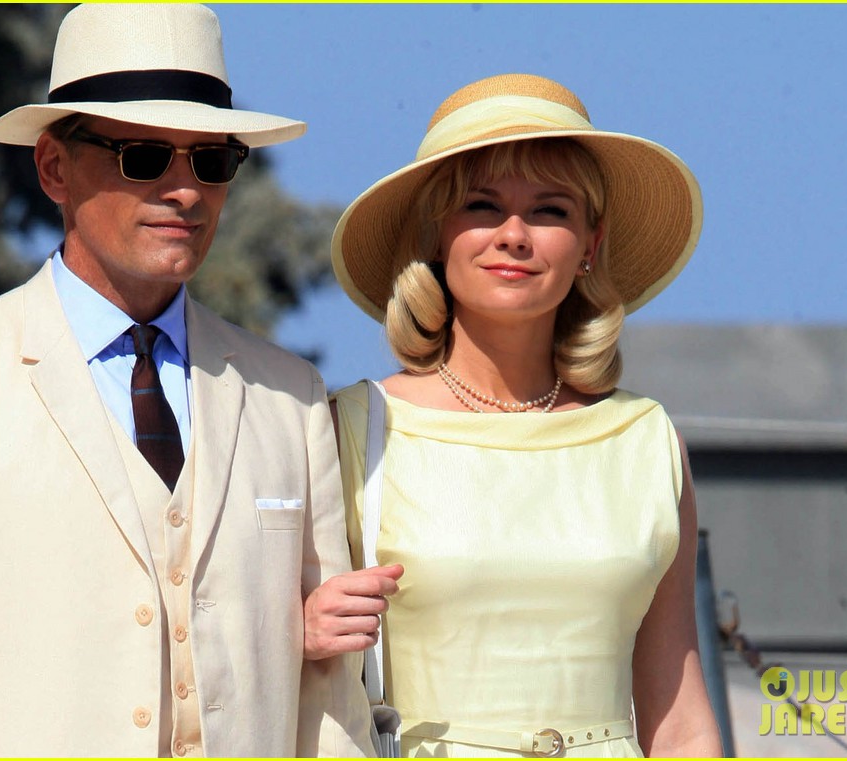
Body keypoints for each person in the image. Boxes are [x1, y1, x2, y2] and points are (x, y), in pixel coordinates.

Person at [0, 4, 374, 757]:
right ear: (54, 167)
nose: (185, 190)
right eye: (144, 157)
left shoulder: (289, 395)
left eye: (211, 161)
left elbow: (330, 697)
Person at [303, 74, 723, 757]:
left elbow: (679, 719)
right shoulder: (349, 429)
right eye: (482, 206)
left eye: (550, 211)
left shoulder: (646, 440)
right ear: (437, 235)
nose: (514, 236)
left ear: (590, 244)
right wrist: (298, 631)